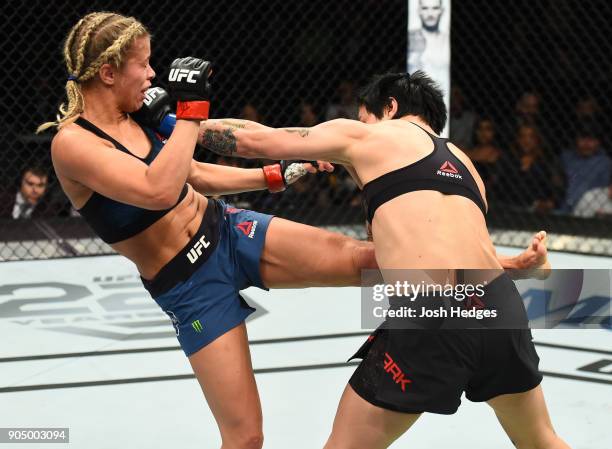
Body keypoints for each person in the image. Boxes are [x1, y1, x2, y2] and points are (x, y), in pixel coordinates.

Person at [39, 13, 551, 449]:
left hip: (229, 230)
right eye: (143, 64)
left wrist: (268, 177)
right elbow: (158, 187)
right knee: (245, 438)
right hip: (189, 281)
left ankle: (485, 274)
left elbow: (193, 174)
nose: (152, 73)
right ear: (107, 72)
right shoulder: (73, 144)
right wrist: (189, 113)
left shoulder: (140, 117)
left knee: (359, 259)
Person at [198, 71, 567, 449]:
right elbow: (445, 252)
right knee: (541, 439)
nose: (361, 127)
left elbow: (252, 139)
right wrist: (518, 266)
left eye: (364, 117)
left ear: (389, 107)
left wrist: (173, 123)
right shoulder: (467, 166)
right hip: (500, 307)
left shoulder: (367, 136)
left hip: (431, 314)